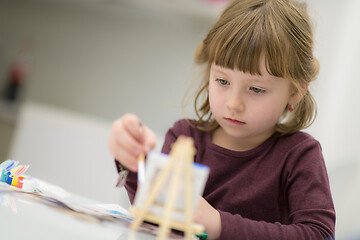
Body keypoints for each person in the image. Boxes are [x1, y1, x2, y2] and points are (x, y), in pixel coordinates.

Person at [108, 0, 336, 239]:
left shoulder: (299, 155)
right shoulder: (184, 138)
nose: (233, 103)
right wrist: (133, 161)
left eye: (256, 89)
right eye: (223, 81)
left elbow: (319, 234)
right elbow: (155, 220)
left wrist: (218, 224)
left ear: (295, 91)